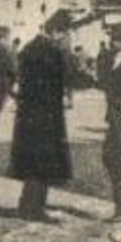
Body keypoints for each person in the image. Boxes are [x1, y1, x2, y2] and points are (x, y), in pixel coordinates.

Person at [10, 12, 73, 223]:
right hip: (46, 115)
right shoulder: (51, 52)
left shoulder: (29, 48)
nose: (64, 38)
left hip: (29, 114)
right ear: (56, 31)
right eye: (63, 34)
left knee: (33, 163)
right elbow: (65, 78)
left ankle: (28, 205)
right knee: (42, 163)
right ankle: (33, 209)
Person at [101, 32, 121, 223]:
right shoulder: (115, 58)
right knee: (112, 157)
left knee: (118, 158)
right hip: (115, 117)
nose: (112, 41)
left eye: (116, 37)